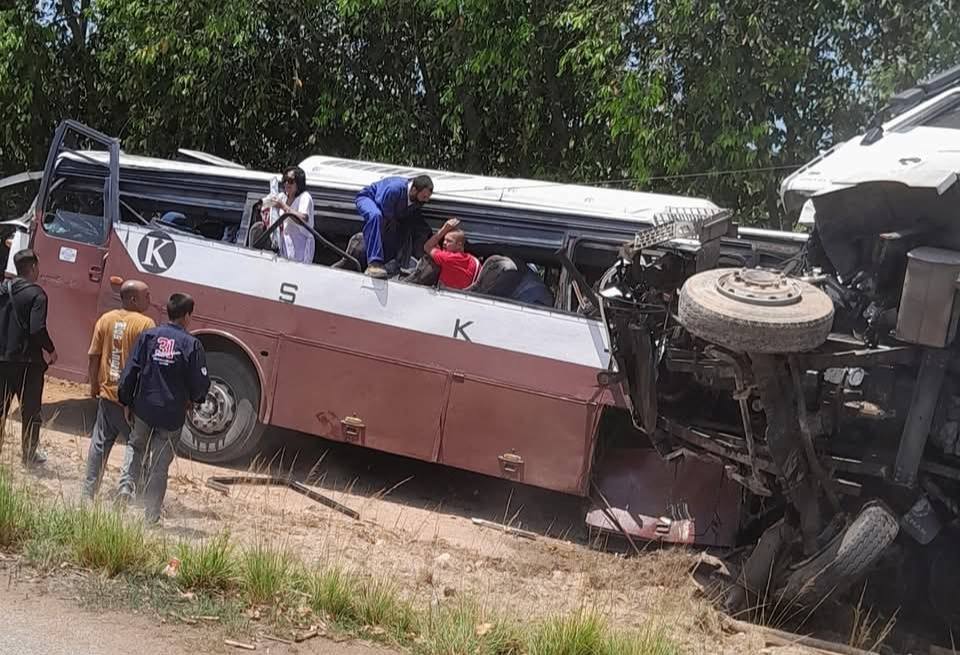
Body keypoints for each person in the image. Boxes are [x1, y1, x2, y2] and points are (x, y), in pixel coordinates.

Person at [118, 293, 210, 524]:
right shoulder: (192, 345)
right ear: (187, 315)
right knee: (160, 464)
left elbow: (131, 370)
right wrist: (194, 400)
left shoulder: (149, 336)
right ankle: (150, 514)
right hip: (172, 414)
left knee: (135, 447)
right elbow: (200, 383)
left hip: (144, 408)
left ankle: (126, 488)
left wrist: (126, 400)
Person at [82, 280, 155, 501]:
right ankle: (128, 490)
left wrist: (94, 385)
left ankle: (88, 492)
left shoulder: (106, 319)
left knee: (99, 444)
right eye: (146, 295)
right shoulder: (146, 324)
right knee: (136, 445)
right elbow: (148, 364)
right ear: (132, 299)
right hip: (131, 400)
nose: (150, 299)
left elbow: (93, 355)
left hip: (107, 394)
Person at [0, 249, 56, 467]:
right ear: (33, 267)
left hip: (2, 360)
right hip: (28, 364)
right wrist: (51, 349)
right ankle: (29, 454)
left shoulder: (3, 289)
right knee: (31, 411)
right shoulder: (37, 295)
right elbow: (36, 329)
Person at [355, 174, 434, 279]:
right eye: (424, 197)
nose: (426, 201)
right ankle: (374, 262)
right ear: (414, 190)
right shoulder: (394, 189)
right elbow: (384, 212)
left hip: (391, 213)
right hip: (369, 199)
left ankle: (395, 262)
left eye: (427, 198)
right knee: (376, 216)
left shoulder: (417, 201)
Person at [272, 166, 315, 264]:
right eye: (285, 180)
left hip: (301, 245)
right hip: (286, 244)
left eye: (291, 181)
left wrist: (284, 207)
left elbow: (303, 219)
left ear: (298, 183)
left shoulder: (305, 197)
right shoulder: (282, 197)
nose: (287, 183)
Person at [422, 218, 479, 290]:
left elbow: (427, 246)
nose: (444, 243)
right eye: (444, 240)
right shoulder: (474, 260)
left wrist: (444, 229)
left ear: (459, 245)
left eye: (449, 241)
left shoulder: (447, 258)